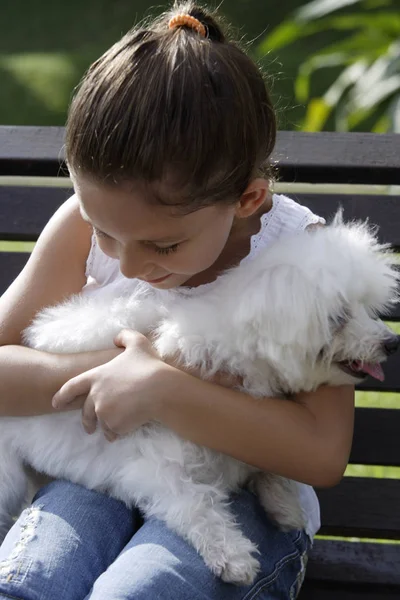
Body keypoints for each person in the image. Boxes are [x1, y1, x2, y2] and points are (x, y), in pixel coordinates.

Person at [0, 2, 355, 599]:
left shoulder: (302, 259)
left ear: (246, 198)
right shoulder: (81, 229)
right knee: (31, 582)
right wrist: (125, 371)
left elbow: (320, 453)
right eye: (105, 231)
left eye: (163, 244)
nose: (128, 263)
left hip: (240, 506)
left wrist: (164, 390)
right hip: (99, 479)